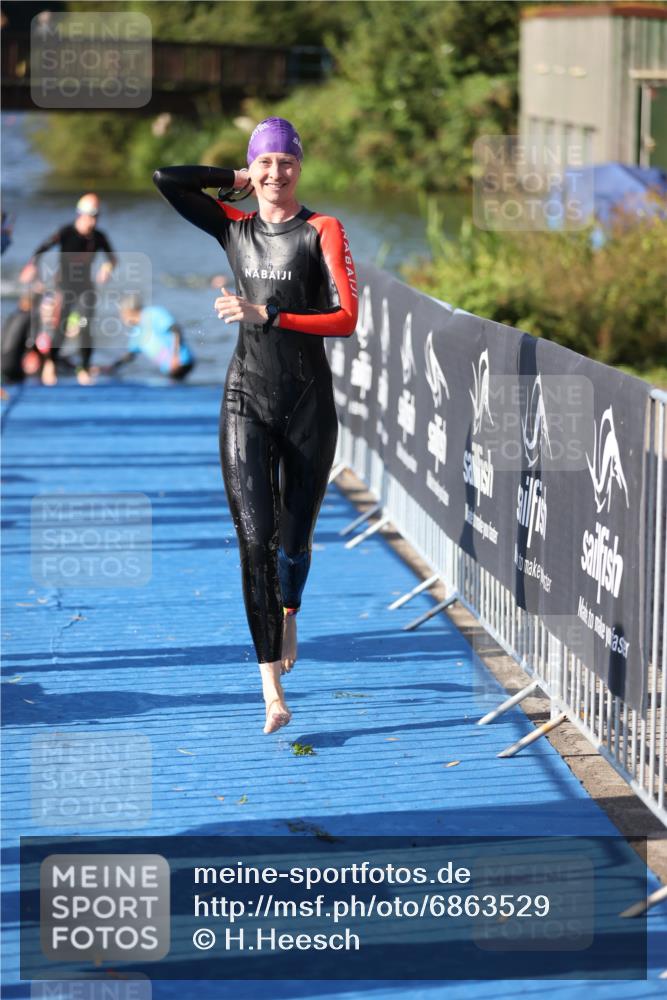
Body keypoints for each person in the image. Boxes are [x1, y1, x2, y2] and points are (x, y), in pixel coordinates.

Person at [153, 117, 358, 734]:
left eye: (286, 163)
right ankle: (270, 689)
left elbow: (345, 317)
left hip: (307, 408)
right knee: (254, 540)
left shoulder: (322, 229)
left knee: (293, 540)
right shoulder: (233, 226)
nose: (276, 174)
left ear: (301, 167)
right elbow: (168, 180)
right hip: (246, 400)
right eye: (264, 164)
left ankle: (291, 605)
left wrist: (267, 312)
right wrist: (234, 179)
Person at [19, 193, 117, 386]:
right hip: (64, 286)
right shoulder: (66, 232)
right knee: (60, 328)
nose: (93, 221)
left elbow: (112, 259)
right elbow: (41, 249)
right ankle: (50, 365)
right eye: (90, 216)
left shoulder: (99, 237)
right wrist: (32, 267)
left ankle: (84, 369)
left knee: (86, 327)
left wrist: (107, 269)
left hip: (86, 288)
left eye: (96, 216)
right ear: (80, 214)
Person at [101, 294, 195, 381]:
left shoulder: (153, 313)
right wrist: (111, 368)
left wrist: (175, 356)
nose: (122, 318)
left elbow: (176, 329)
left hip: (181, 362)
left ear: (128, 311)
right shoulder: (137, 331)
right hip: (170, 369)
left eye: (122, 314)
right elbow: (130, 355)